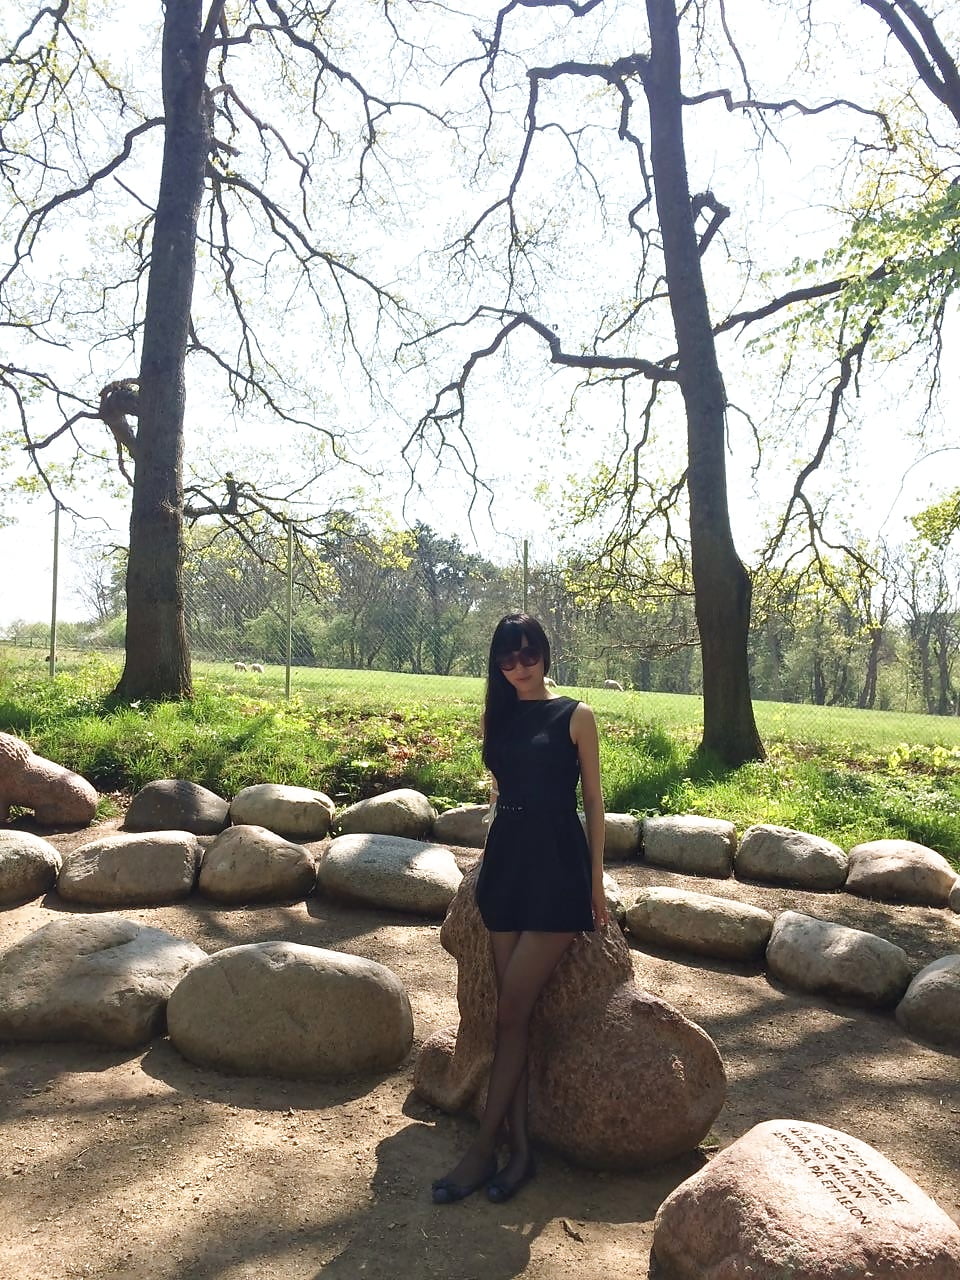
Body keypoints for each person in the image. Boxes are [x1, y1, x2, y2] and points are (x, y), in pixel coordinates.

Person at [431, 612, 608, 1205]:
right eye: (507, 658)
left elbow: (593, 802)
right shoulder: (495, 715)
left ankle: (484, 1149)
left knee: (511, 1010)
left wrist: (596, 884)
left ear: (545, 654)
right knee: (513, 1019)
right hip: (507, 866)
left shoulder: (576, 715)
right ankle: (522, 1153)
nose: (518, 667)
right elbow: (499, 794)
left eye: (528, 655)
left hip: (557, 869)